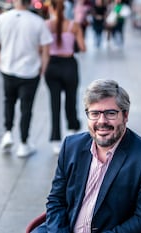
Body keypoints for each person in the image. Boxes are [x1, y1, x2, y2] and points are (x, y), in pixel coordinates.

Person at [33, 79, 141, 233]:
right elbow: (56, 199)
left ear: (125, 116)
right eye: (95, 113)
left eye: (111, 113)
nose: (102, 121)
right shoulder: (71, 146)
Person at [0, 0, 53, 157]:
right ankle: (24, 143)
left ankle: (8, 133)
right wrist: (42, 68)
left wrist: (0, 63)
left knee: (9, 101)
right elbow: (46, 49)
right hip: (30, 71)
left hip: (8, 69)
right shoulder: (38, 22)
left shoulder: (2, 18)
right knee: (26, 108)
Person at [45, 0, 86, 154]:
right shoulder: (74, 26)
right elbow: (83, 47)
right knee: (71, 99)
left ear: (51, 8)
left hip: (52, 65)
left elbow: (41, 48)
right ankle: (72, 130)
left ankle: (55, 140)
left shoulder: (46, 26)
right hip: (69, 64)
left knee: (54, 103)